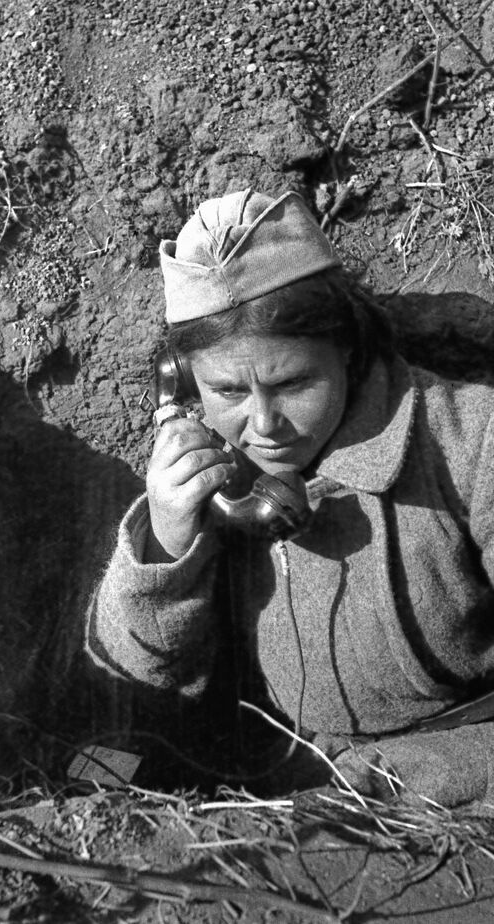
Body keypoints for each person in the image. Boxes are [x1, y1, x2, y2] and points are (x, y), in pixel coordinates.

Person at [86, 188, 494, 806]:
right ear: (184, 381)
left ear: (350, 350)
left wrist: (392, 781)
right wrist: (166, 540)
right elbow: (135, 682)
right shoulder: (212, 468)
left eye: (294, 383)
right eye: (227, 391)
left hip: (439, 777)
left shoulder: (473, 440)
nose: (264, 424)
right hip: (264, 775)